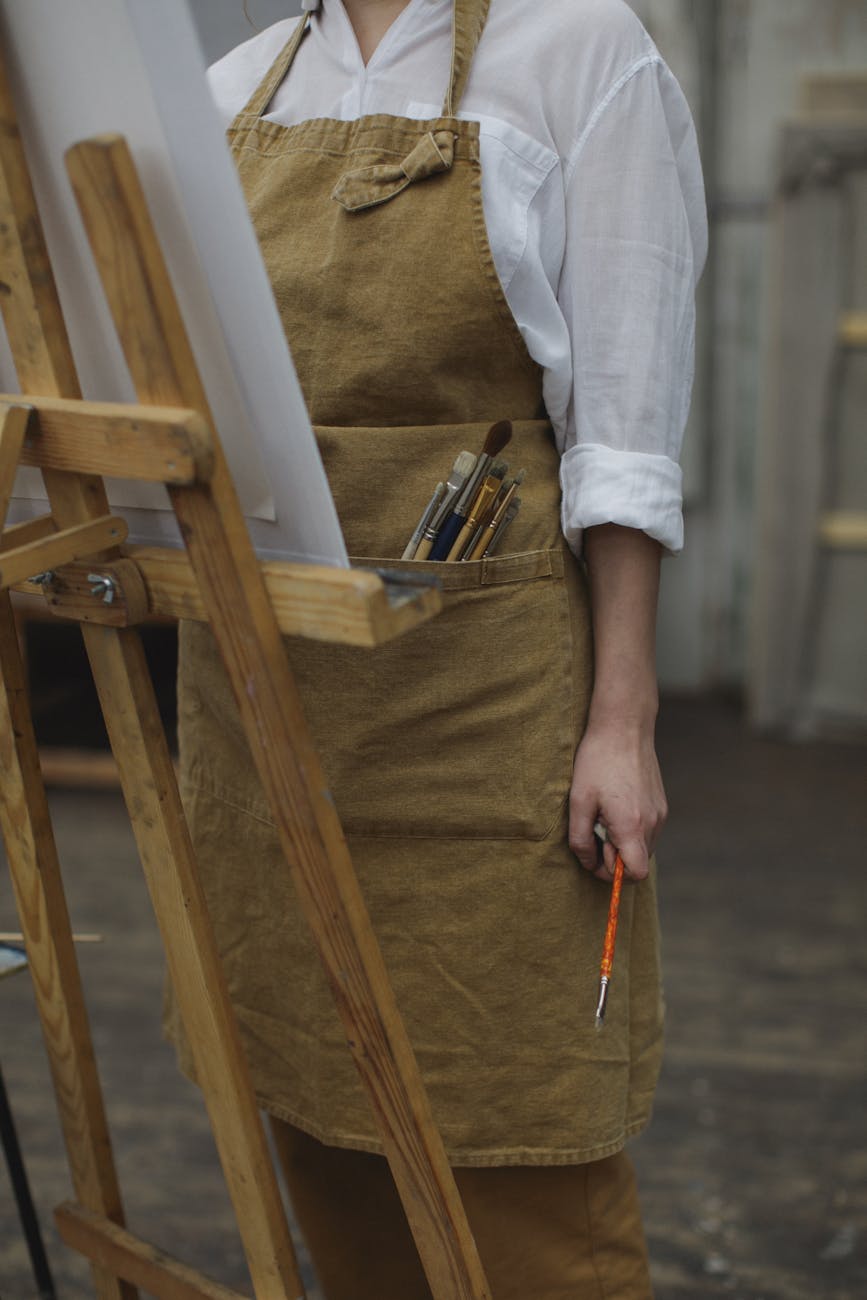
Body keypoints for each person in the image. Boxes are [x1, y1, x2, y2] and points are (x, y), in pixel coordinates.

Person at [166, 0, 707, 1294]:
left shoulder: (581, 51)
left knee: (527, 1189)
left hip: (477, 726)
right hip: (268, 721)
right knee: (326, 1143)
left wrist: (621, 726)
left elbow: (623, 442)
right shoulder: (238, 86)